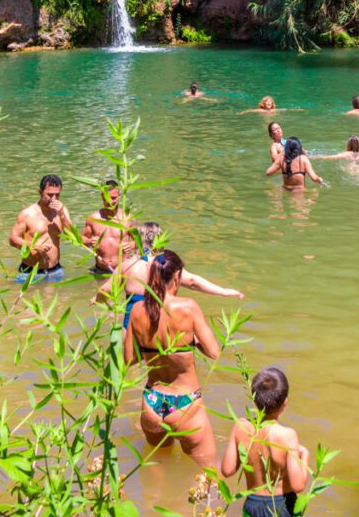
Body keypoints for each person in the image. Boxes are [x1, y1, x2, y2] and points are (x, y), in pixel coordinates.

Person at [124, 249, 220, 465]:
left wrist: (150, 347)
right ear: (176, 277)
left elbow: (129, 359)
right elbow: (214, 352)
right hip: (185, 403)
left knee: (156, 473)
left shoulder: (138, 310)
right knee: (209, 472)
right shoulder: (188, 307)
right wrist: (191, 342)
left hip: (152, 402)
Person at [95, 221, 244, 327]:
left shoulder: (128, 265)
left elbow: (105, 291)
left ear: (138, 240)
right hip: (162, 321)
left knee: (130, 367)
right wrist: (224, 292)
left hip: (133, 324)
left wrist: (97, 299)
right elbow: (192, 282)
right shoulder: (164, 263)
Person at [221, 367, 310, 517]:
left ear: (254, 400)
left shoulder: (241, 427)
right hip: (282, 506)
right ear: (285, 403)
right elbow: (298, 485)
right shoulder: (288, 436)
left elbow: (227, 470)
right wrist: (305, 455)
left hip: (252, 506)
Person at [9, 174, 73, 281]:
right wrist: (32, 245)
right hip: (30, 272)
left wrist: (62, 215)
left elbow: (72, 237)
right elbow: (12, 239)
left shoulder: (62, 210)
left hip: (55, 270)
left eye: (57, 195)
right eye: (50, 195)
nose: (54, 199)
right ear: (40, 192)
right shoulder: (27, 214)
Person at [81, 180, 135, 273]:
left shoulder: (128, 218)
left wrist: (131, 245)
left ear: (119, 197)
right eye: (107, 198)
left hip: (123, 270)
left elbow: (140, 241)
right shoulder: (94, 218)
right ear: (102, 196)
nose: (110, 202)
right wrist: (89, 242)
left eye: (113, 198)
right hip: (100, 270)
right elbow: (81, 238)